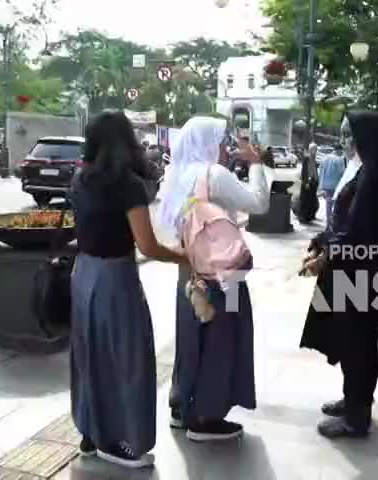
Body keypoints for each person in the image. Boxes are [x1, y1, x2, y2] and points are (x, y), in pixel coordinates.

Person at [69, 111, 186, 469]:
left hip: (83, 272)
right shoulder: (128, 185)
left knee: (88, 355)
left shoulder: (80, 177)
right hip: (114, 277)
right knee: (126, 358)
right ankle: (120, 442)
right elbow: (148, 246)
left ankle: (90, 433)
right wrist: (183, 256)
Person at [299, 111, 378, 438]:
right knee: (353, 342)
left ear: (367, 137)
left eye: (351, 134)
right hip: (353, 271)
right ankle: (354, 400)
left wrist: (326, 257)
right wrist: (321, 244)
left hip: (362, 275)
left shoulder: (374, 177)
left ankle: (356, 417)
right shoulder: (367, 171)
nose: (344, 140)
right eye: (342, 134)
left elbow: (360, 233)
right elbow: (345, 223)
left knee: (359, 344)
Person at [158, 116, 270, 443]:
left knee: (191, 338)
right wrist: (257, 164)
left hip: (189, 272)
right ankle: (206, 418)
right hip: (226, 274)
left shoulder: (175, 175)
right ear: (207, 143)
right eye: (221, 141)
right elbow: (259, 204)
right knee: (224, 338)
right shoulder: (214, 174)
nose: (225, 148)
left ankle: (182, 407)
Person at [318, 144, 347, 230]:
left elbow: (321, 170)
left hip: (326, 185)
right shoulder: (339, 160)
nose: (342, 153)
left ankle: (328, 224)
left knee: (328, 206)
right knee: (336, 206)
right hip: (336, 186)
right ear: (339, 150)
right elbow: (342, 173)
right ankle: (334, 225)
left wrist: (321, 184)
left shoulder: (325, 158)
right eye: (341, 151)